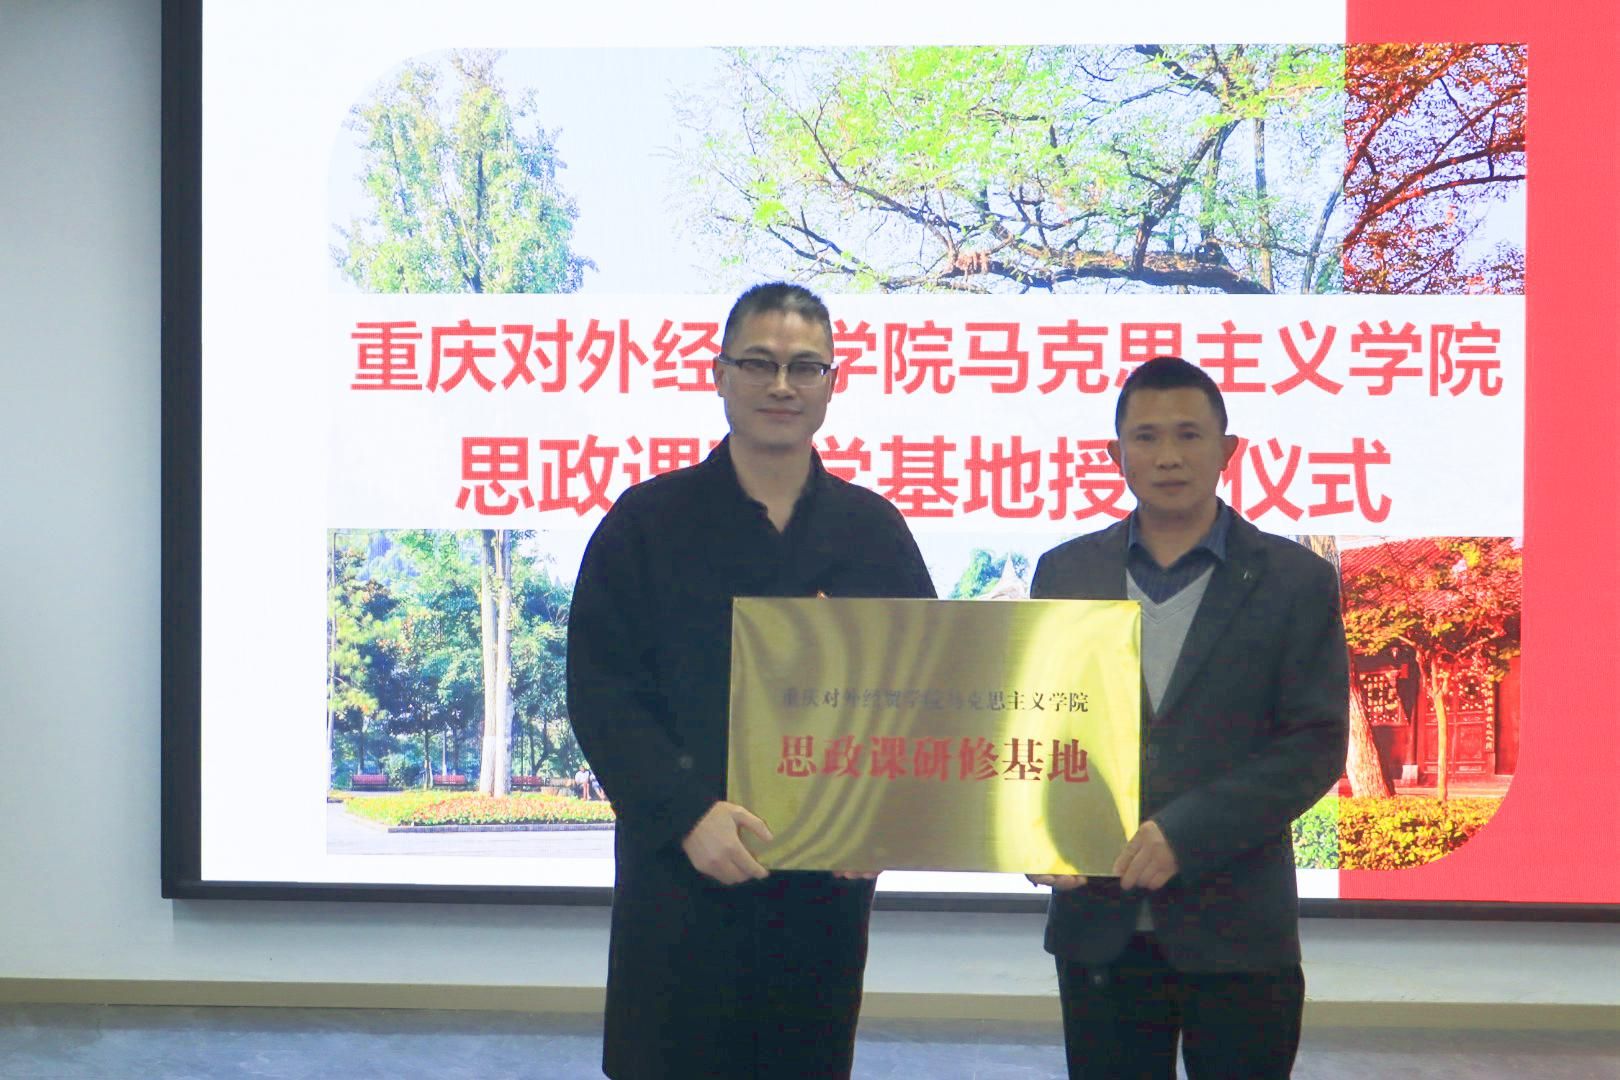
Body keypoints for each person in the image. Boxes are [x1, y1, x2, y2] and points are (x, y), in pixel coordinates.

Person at [566, 282, 936, 1079]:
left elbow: (926, 696)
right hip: (679, 881)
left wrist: (884, 820)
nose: (781, 385)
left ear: (832, 384)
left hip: (821, 895)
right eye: (759, 363)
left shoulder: (873, 532)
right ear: (719, 375)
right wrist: (686, 814)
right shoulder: (646, 522)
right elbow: (601, 692)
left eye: (805, 368)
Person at [1027, 356, 1348, 1079]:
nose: (1167, 456)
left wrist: (1187, 834)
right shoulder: (1066, 572)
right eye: (1145, 437)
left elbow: (1315, 743)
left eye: (1188, 435)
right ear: (1115, 453)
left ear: (1227, 449)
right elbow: (1036, 727)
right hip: (1099, 930)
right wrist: (1034, 829)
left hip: (1240, 931)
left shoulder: (1293, 579)